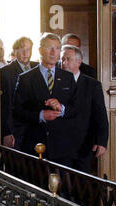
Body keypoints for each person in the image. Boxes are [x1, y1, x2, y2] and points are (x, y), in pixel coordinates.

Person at [13, 33, 79, 167]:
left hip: (62, 149)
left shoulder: (68, 77)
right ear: (40, 50)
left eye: (57, 48)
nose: (54, 52)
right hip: (35, 147)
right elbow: (17, 111)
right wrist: (40, 115)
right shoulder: (26, 78)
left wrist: (62, 109)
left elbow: (76, 109)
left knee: (62, 186)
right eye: (50, 47)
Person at [61, 45, 109, 173]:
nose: (64, 63)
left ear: (78, 61)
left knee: (82, 183)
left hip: (84, 144)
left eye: (68, 59)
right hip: (61, 144)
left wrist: (102, 142)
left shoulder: (92, 85)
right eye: (62, 59)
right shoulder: (56, 83)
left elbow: (101, 116)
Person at [0, 37, 38, 148]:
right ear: (15, 51)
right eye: (22, 49)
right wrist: (6, 132)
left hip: (36, 128)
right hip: (17, 130)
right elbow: (5, 106)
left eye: (29, 49)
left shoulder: (38, 67)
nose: (26, 53)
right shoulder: (6, 73)